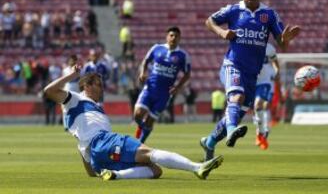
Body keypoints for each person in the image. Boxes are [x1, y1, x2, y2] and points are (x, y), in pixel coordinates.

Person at [43, 66, 223, 180]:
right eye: (98, 84)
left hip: (98, 156)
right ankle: (197, 167)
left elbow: (91, 172)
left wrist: (96, 168)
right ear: (87, 87)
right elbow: (49, 90)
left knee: (155, 170)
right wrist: (72, 75)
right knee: (149, 152)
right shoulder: (76, 99)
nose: (102, 88)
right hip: (104, 141)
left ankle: (116, 175)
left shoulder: (88, 113)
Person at [199, 0, 300, 161]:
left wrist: (286, 40)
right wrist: (221, 32)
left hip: (253, 73)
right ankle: (231, 132)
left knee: (236, 115)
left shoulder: (269, 15)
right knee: (236, 97)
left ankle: (210, 142)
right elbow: (209, 21)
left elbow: (281, 43)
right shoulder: (233, 10)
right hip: (233, 64)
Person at [134, 26, 191, 143]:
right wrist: (142, 72)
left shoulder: (183, 56)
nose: (173, 38)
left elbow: (187, 74)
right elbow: (145, 61)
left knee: (150, 121)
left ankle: (140, 143)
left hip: (164, 94)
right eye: (171, 35)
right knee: (137, 114)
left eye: (176, 36)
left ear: (180, 38)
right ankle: (141, 126)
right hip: (149, 89)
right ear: (167, 37)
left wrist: (178, 87)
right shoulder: (156, 48)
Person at [253, 43, 280, 150]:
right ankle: (260, 131)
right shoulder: (246, 44)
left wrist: (277, 70)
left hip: (265, 83)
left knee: (261, 105)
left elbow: (275, 61)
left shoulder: (269, 48)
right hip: (250, 82)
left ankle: (265, 129)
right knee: (256, 109)